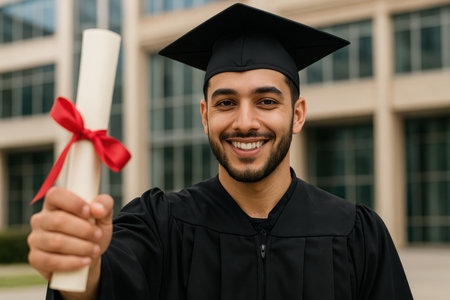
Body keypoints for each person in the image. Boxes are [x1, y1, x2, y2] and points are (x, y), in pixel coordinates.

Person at [28, 3, 413, 300]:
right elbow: (101, 283)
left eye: (266, 101)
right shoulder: (160, 225)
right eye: (226, 103)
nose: (245, 122)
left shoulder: (357, 234)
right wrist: (80, 264)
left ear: (297, 115)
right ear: (204, 114)